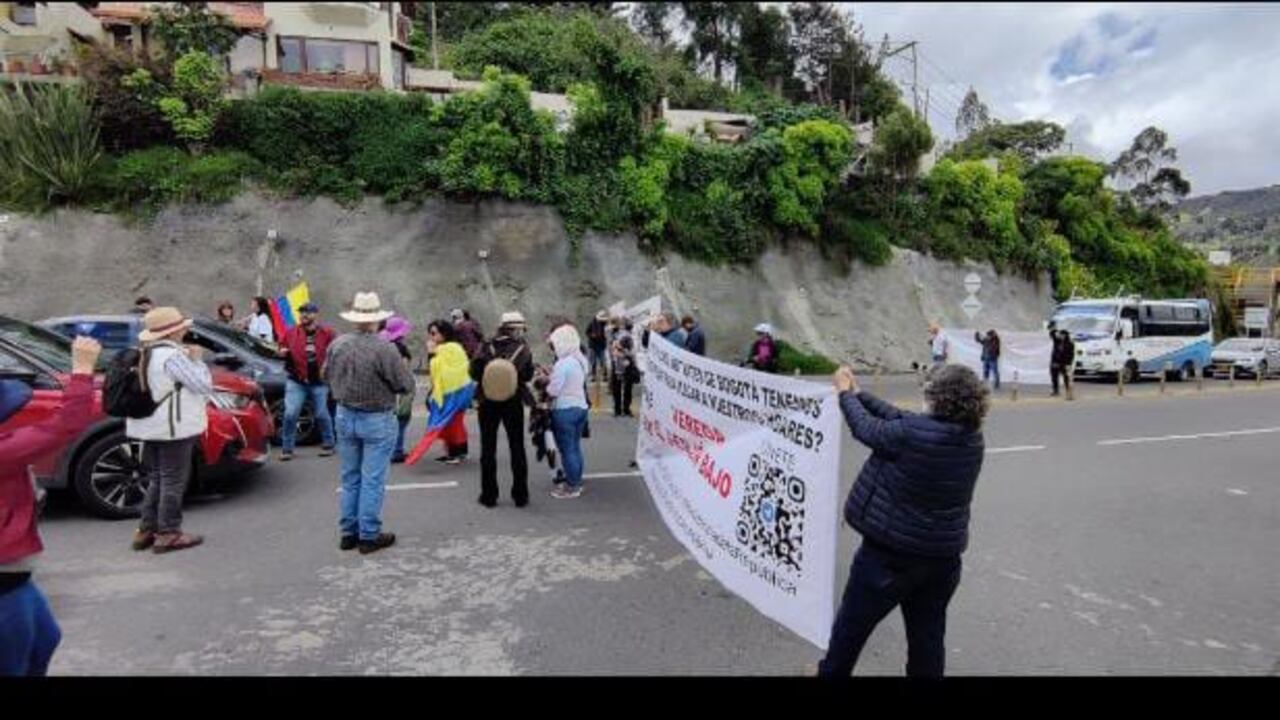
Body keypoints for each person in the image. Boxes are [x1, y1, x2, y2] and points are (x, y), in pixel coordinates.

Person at [819, 364, 989, 678]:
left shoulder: (911, 435)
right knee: (927, 638)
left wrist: (844, 393)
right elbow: (898, 417)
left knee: (851, 629)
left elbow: (866, 429)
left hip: (889, 558)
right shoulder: (972, 438)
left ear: (938, 398)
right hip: (942, 561)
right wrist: (860, 394)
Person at [1, 336, 101, 676]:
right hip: (4, 585)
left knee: (46, 639)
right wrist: (83, 370)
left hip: (17, 577)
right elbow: (67, 424)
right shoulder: (4, 452)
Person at [324, 292, 414, 555]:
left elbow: (325, 374)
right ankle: (368, 535)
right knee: (372, 479)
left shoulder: (338, 344)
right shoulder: (384, 348)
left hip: (344, 413)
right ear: (377, 319)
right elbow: (404, 384)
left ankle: (348, 532)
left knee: (350, 477)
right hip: (376, 417)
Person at [127, 307, 214, 554]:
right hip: (174, 427)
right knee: (173, 480)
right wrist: (197, 360)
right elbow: (203, 385)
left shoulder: (145, 353)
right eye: (183, 326)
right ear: (174, 331)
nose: (186, 329)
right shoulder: (171, 356)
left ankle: (146, 528)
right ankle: (168, 532)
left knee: (158, 478)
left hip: (150, 425)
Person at [470, 312, 535, 508]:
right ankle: (520, 495)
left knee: (488, 448)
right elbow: (527, 375)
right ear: (516, 329)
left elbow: (474, 373)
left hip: (487, 401)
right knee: (517, 447)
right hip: (512, 400)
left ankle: (489, 496)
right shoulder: (522, 349)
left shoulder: (485, 345)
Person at [405, 320, 474, 466]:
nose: (431, 337)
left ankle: (458, 453)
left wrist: (431, 353)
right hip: (452, 392)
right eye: (430, 333)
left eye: (434, 333)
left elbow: (442, 370)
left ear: (445, 333)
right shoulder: (445, 348)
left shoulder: (451, 348)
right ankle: (455, 452)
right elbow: (437, 372)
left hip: (456, 392)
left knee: (454, 423)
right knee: (451, 423)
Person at [276, 302, 336, 461]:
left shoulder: (327, 333)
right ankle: (287, 449)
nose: (304, 315)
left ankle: (329, 444)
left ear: (316, 314)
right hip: (297, 381)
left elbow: (336, 351)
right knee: (290, 414)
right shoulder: (291, 333)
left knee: (322, 413)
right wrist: (281, 351)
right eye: (301, 312)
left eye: (308, 312)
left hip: (319, 382)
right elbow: (281, 346)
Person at [546, 324, 590, 500]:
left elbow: (553, 390)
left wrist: (547, 382)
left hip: (564, 409)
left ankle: (572, 486)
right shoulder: (580, 360)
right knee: (575, 447)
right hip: (581, 407)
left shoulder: (562, 363)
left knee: (567, 449)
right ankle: (576, 480)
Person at [379, 316, 415, 464]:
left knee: (388, 421)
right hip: (400, 390)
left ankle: (387, 450)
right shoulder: (400, 348)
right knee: (401, 420)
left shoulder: (382, 344)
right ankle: (397, 451)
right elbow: (403, 371)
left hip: (385, 389)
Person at [609, 318, 637, 417]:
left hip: (618, 364)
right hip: (625, 364)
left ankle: (619, 409)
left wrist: (619, 351)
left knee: (620, 388)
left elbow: (613, 350)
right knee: (626, 388)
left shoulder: (618, 336)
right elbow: (632, 353)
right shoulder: (624, 336)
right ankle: (624, 409)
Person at [585, 310, 610, 381]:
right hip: (593, 345)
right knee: (593, 362)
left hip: (601, 345)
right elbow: (587, 332)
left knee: (603, 361)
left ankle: (605, 376)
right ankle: (593, 376)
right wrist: (592, 335)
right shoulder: (591, 323)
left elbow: (607, 331)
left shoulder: (604, 324)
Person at [1050, 328, 1075, 397]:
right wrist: (1055, 330)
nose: (1061, 336)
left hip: (1064, 363)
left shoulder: (1070, 344)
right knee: (1054, 377)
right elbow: (1052, 334)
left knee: (1066, 377)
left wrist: (1069, 364)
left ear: (1066, 335)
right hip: (1055, 362)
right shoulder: (1057, 341)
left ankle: (1068, 391)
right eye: (1060, 334)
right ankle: (1056, 390)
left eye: (1063, 335)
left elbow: (1071, 354)